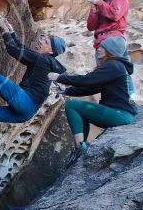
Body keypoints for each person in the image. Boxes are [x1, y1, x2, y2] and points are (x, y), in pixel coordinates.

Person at [48, 37, 137, 167]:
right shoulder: (118, 68)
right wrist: (67, 91)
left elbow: (87, 80)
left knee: (72, 105)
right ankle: (82, 146)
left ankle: (80, 148)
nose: (99, 49)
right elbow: (92, 87)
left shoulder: (114, 65)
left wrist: (61, 78)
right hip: (124, 115)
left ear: (110, 51)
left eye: (102, 47)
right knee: (81, 110)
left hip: (120, 115)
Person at [86, 0, 135, 100]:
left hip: (113, 38)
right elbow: (91, 26)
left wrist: (98, 2)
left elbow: (115, 15)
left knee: (114, 69)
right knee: (111, 71)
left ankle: (130, 97)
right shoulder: (99, 4)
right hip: (101, 41)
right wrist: (93, 7)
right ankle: (118, 98)